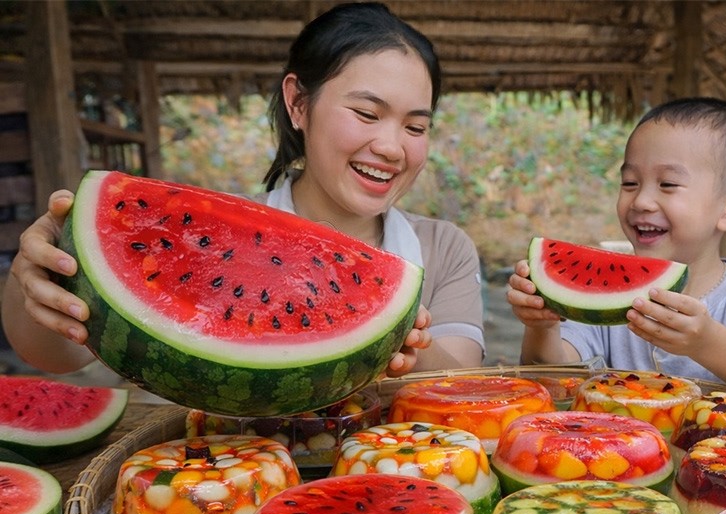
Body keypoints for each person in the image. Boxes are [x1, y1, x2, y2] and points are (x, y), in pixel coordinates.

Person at [2, 1, 484, 378]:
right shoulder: (203, 242)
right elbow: (59, 354)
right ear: (298, 103)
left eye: (415, 127)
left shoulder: (444, 249)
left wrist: (388, 323)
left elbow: (467, 383)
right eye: (366, 114)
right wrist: (38, 277)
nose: (392, 147)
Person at [505, 97, 726, 401]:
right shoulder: (603, 300)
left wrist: (706, 342)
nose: (641, 201)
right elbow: (553, 381)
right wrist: (542, 327)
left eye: (668, 184)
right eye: (630, 183)